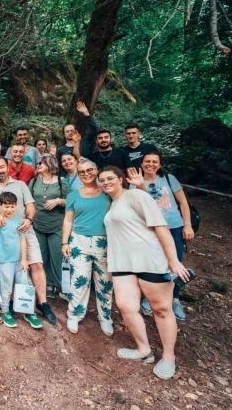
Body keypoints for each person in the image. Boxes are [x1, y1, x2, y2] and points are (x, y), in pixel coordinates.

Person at [99, 166, 190, 380]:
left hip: (149, 259)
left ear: (121, 179)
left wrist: (174, 261)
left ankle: (169, 357)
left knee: (161, 309)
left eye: (110, 178)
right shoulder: (113, 204)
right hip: (122, 263)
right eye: (102, 179)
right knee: (126, 306)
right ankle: (143, 349)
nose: (105, 182)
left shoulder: (136, 195)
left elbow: (161, 227)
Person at [0, 156, 57, 326]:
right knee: (10, 275)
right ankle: (12, 307)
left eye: (2, 167)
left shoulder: (20, 185)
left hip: (24, 229)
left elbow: (30, 205)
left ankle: (42, 303)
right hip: (4, 234)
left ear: (7, 167)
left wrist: (29, 220)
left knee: (35, 264)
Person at [128, 153, 195, 320]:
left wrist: (187, 224)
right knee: (152, 263)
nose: (150, 164)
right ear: (141, 164)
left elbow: (183, 202)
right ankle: (150, 299)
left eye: (154, 162)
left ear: (159, 164)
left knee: (176, 262)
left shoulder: (169, 178)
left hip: (173, 225)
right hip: (149, 229)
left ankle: (175, 299)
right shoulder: (135, 182)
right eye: (147, 161)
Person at [61, 159, 113, 336]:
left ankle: (105, 317)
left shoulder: (107, 192)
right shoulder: (73, 195)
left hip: (104, 241)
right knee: (80, 280)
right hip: (79, 241)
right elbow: (68, 219)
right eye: (82, 172)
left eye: (89, 170)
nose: (86, 174)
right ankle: (74, 315)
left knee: (105, 282)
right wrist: (65, 242)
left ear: (96, 170)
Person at [0, 191, 34, 328]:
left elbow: (23, 241)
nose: (9, 210)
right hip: (5, 260)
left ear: (16, 206)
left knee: (24, 284)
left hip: (19, 260)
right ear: (0, 206)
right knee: (6, 288)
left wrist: (24, 259)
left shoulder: (20, 221)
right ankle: (4, 311)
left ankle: (27, 311)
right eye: (6, 206)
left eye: (12, 206)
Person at [29, 154, 70, 298]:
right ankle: (46, 285)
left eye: (42, 163)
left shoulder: (61, 181)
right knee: (41, 256)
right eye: (38, 163)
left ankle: (59, 285)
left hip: (56, 224)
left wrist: (58, 201)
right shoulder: (34, 182)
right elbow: (29, 201)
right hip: (38, 224)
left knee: (57, 255)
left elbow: (69, 202)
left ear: (50, 164)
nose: (38, 165)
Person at [56, 101, 98, 173]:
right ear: (64, 134)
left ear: (76, 131)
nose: (70, 133)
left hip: (88, 173)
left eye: (72, 130)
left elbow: (94, 130)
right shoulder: (61, 150)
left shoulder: (84, 142)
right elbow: (60, 168)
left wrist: (86, 114)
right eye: (67, 131)